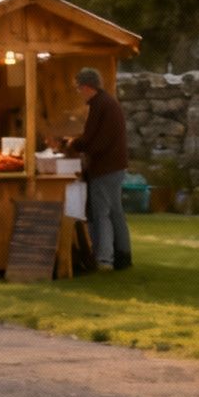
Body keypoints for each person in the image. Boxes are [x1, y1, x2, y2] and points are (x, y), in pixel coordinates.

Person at [64, 67, 132, 271]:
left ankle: (104, 259)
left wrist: (73, 145)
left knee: (102, 213)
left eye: (79, 88)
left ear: (86, 87)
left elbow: (94, 140)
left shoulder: (100, 105)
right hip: (114, 166)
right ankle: (122, 255)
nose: (79, 92)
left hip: (105, 167)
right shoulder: (108, 103)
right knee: (115, 213)